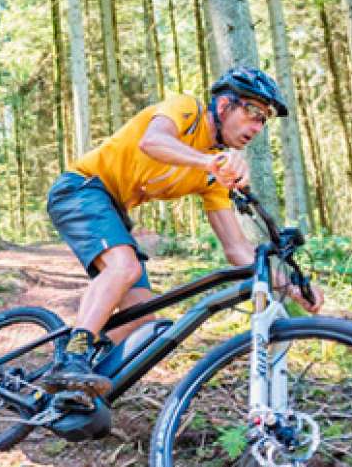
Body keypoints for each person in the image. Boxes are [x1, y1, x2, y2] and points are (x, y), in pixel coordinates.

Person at [44, 66, 325, 404]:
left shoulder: (212, 175)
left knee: (141, 318)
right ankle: (73, 354)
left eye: (263, 120)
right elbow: (153, 141)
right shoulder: (187, 111)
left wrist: (292, 287)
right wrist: (210, 163)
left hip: (113, 210)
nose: (257, 126)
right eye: (252, 112)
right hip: (82, 187)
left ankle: (73, 387)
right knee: (125, 267)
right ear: (223, 105)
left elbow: (237, 250)